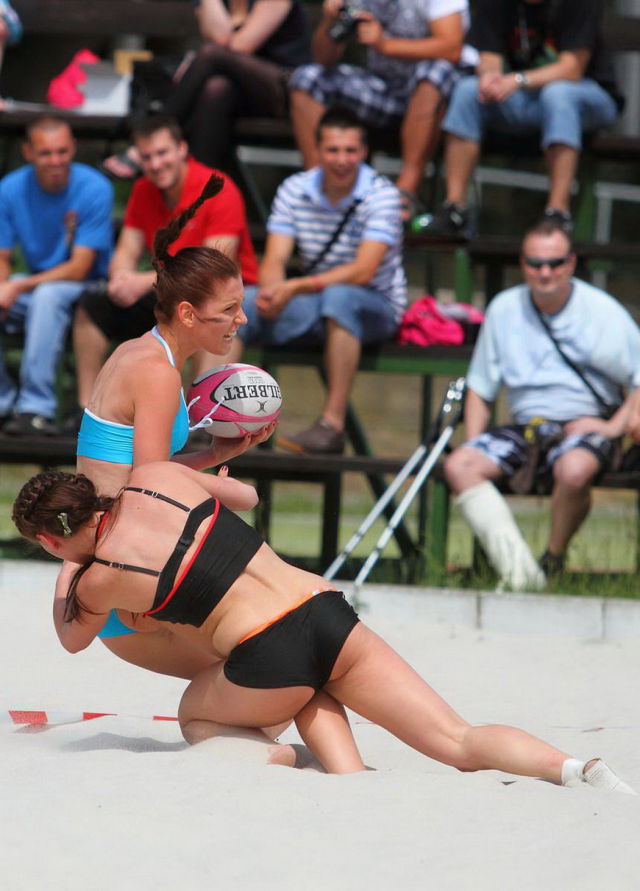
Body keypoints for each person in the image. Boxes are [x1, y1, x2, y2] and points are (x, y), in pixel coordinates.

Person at [12, 461, 635, 792]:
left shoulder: (97, 579)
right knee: (456, 740)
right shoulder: (155, 476)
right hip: (324, 607)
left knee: (195, 716)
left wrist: (70, 571)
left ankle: (288, 757)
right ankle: (575, 769)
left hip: (266, 653)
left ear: (49, 538)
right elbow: (247, 497)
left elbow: (73, 639)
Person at [444, 220, 640, 591]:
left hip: (586, 422)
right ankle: (521, 575)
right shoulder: (503, 309)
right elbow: (481, 387)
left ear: (570, 263)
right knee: (460, 464)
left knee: (574, 468)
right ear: (523, 264)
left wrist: (613, 427)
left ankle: (553, 558)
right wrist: (473, 441)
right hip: (528, 425)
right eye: (535, 263)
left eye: (554, 263)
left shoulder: (603, 311)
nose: (545, 272)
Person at [216, 106, 407, 455]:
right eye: (333, 150)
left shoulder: (382, 195)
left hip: (374, 304)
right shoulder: (294, 188)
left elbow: (364, 271)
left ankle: (331, 426)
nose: (342, 159)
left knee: (340, 298)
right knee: (234, 308)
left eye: (351, 150)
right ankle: (216, 417)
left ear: (363, 153)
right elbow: (275, 257)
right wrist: (273, 291)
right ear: (318, 151)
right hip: (314, 300)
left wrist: (294, 287)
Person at [69, 115, 258, 426]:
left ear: (182, 149)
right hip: (166, 292)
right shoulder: (143, 189)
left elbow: (213, 270)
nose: (156, 164)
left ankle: (202, 417)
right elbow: (126, 251)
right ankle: (88, 411)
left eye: (163, 153)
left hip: (222, 295)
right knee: (93, 304)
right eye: (147, 157)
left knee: (212, 315)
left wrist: (139, 282)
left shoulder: (215, 187)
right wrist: (120, 279)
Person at [425, 0, 621, 237]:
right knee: (467, 90)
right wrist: (489, 78)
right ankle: (455, 208)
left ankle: (558, 212)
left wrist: (515, 80)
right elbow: (488, 58)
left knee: (558, 94)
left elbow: (571, 69)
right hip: (526, 97)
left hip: (588, 96)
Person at [289, 0, 477, 217]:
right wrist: (330, 20)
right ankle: (320, 187)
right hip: (381, 86)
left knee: (434, 73)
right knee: (306, 78)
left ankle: (404, 194)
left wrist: (385, 44)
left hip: (436, 96)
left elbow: (452, 48)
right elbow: (322, 59)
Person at [103, 0, 310, 177]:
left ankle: (149, 142)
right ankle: (201, 197)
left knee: (211, 55)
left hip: (287, 90)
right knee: (216, 89)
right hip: (239, 93)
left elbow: (240, 47)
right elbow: (220, 37)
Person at [0, 115, 113, 435]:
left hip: (88, 287)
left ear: (73, 148)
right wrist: (3, 286)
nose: (56, 160)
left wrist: (16, 285)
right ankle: (3, 402)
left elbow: (79, 267)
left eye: (63, 151)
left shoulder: (94, 187)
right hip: (36, 283)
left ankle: (36, 409)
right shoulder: (9, 189)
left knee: (47, 298)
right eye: (46, 153)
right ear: (27, 152)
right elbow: (2, 256)